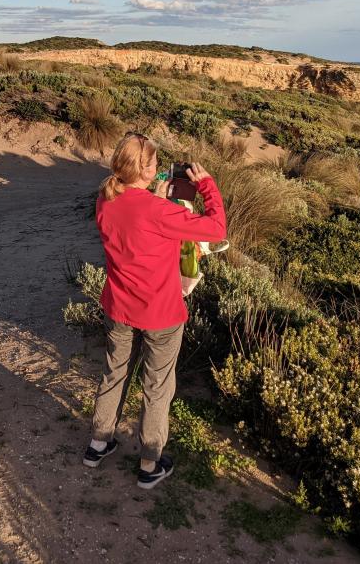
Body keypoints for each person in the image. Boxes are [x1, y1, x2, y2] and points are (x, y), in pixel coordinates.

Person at [83, 132, 225, 489]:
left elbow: (136, 223)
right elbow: (216, 229)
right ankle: (150, 463)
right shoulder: (159, 211)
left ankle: (98, 443)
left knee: (114, 373)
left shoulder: (105, 199)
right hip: (160, 312)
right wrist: (207, 185)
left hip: (118, 306)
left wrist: (155, 198)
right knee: (157, 386)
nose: (159, 168)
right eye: (155, 164)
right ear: (146, 170)